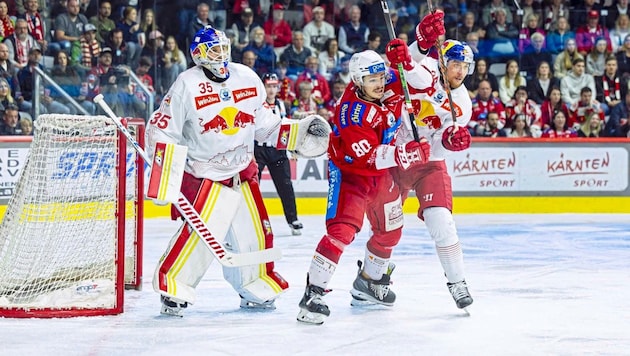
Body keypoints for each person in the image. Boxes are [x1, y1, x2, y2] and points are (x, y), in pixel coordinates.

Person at [145, 25, 311, 317]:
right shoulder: (187, 84)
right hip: (206, 175)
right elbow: (162, 128)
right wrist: (164, 170)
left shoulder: (246, 76)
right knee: (199, 238)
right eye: (213, 49)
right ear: (198, 55)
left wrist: (296, 135)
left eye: (223, 47)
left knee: (255, 235)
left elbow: (264, 123)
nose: (220, 54)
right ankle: (173, 287)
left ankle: (255, 284)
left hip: (242, 171)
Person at [296, 49, 430, 325]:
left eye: (381, 77)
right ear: (358, 81)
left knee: (390, 229)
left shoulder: (382, 82)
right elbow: (366, 157)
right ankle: (313, 294)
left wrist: (418, 44)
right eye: (372, 80)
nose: (380, 83)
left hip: (381, 174)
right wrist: (405, 154)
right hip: (351, 174)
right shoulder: (352, 113)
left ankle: (369, 283)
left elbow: (414, 77)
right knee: (341, 232)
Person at [385, 10, 474, 312]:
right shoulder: (426, 70)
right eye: (455, 63)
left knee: (442, 222)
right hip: (396, 156)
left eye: (465, 66)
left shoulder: (462, 102)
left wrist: (449, 139)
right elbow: (405, 66)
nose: (460, 71)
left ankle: (457, 280)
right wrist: (417, 42)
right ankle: (373, 276)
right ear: (442, 61)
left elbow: (445, 140)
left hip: (430, 163)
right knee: (386, 223)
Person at [255, 73, 303, 235]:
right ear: (263, 87)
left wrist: (292, 147)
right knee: (252, 186)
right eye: (268, 86)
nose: (271, 89)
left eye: (274, 86)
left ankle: (293, 219)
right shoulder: (256, 105)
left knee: (285, 185)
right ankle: (251, 221)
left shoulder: (283, 105)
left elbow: (288, 128)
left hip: (278, 149)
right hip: (258, 149)